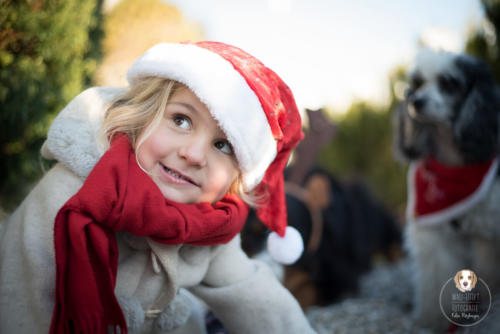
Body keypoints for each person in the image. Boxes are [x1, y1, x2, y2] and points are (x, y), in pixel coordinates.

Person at [0, 41, 314, 334]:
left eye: (222, 145)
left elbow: (253, 296)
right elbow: (21, 301)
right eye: (181, 121)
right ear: (141, 119)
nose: (192, 155)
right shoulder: (70, 195)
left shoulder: (208, 225)